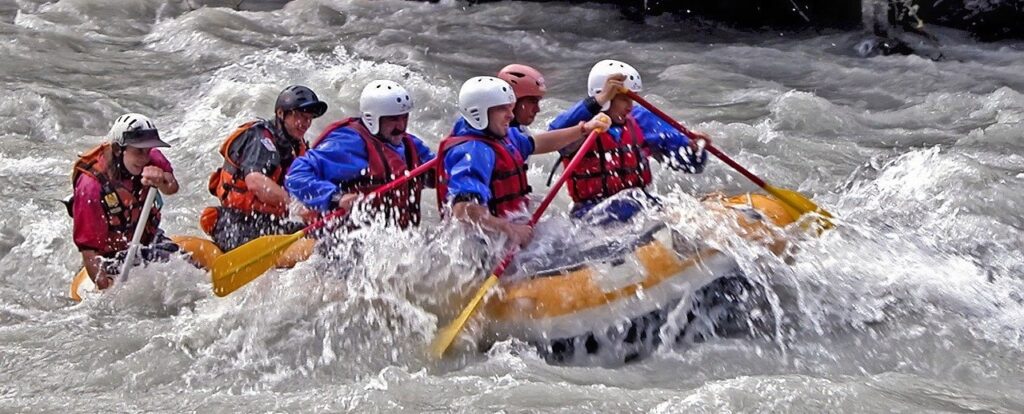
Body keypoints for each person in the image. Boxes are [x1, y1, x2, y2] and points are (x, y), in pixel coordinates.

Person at [436, 76, 610, 248]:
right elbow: (463, 209)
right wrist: (510, 229)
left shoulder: (503, 137)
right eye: (502, 109)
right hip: (484, 247)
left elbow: (539, 143)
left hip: (508, 235)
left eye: (510, 108)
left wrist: (582, 129)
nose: (510, 115)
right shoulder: (474, 152)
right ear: (479, 112)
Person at [548, 59, 709, 222]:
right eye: (624, 99)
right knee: (637, 208)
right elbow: (553, 135)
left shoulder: (641, 119)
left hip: (641, 205)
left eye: (633, 98)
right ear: (604, 97)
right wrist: (598, 101)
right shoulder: (580, 126)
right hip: (593, 215)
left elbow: (691, 166)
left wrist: (694, 150)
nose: (630, 106)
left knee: (694, 213)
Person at [285, 80, 434, 229]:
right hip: (341, 240)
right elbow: (295, 176)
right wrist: (336, 198)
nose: (401, 126)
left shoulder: (410, 145)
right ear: (373, 119)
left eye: (404, 117)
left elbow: (444, 171)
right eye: (393, 119)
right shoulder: (348, 143)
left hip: (394, 241)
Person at [202, 85, 327, 252]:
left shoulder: (297, 147)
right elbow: (255, 181)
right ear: (281, 114)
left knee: (325, 237)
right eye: (300, 116)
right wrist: (296, 207)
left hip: (269, 221)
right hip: (236, 222)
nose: (305, 124)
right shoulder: (260, 138)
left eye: (309, 118)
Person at [69, 113, 180, 290]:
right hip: (110, 256)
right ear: (118, 149)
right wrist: (105, 286)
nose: (145, 158)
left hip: (146, 241)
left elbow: (172, 188)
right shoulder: (91, 186)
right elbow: (89, 250)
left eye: (147, 150)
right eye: (138, 151)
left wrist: (162, 179)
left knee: (183, 266)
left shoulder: (153, 158)